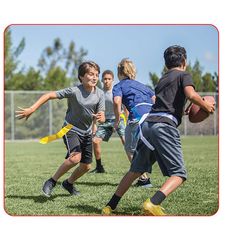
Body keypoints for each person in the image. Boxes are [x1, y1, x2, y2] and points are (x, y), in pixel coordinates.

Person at [102, 45, 215, 215]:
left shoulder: (162, 79)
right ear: (184, 61)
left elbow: (163, 105)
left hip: (148, 126)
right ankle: (153, 203)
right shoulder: (184, 75)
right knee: (179, 174)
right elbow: (191, 95)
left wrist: (180, 112)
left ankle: (110, 205)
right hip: (163, 127)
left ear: (166, 64)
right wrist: (205, 104)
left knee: (136, 170)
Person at [16, 61, 105, 197]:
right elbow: (49, 95)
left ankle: (68, 183)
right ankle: (51, 181)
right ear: (81, 76)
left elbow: (102, 116)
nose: (94, 77)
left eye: (97, 75)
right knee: (75, 158)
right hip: (70, 129)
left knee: (86, 166)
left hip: (86, 133)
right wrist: (32, 109)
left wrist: (100, 117)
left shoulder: (100, 94)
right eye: (91, 74)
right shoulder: (74, 91)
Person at [112, 58, 156, 187]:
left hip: (136, 118)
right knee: (149, 147)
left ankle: (143, 179)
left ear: (119, 73)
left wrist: (117, 118)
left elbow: (116, 101)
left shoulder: (119, 86)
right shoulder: (143, 86)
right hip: (152, 117)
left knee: (129, 148)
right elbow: (155, 100)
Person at [91, 70, 128, 173]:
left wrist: (128, 120)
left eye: (109, 79)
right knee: (95, 141)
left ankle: (136, 169)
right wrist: (94, 124)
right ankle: (99, 167)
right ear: (102, 80)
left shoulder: (117, 91)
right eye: (105, 79)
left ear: (113, 80)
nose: (107, 81)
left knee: (126, 143)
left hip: (119, 120)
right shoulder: (98, 93)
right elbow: (96, 110)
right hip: (105, 121)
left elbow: (125, 108)